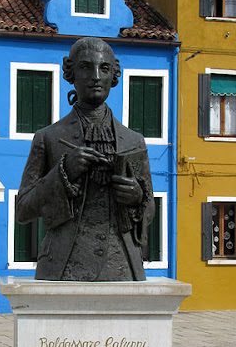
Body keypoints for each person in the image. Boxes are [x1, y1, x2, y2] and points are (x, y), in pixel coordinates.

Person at [15, 37, 155, 281]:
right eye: (85, 67)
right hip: (64, 265)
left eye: (104, 68)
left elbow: (150, 207)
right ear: (71, 73)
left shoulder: (134, 141)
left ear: (114, 75)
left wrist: (137, 198)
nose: (96, 76)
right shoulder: (48, 138)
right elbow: (23, 210)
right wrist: (63, 173)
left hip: (121, 264)